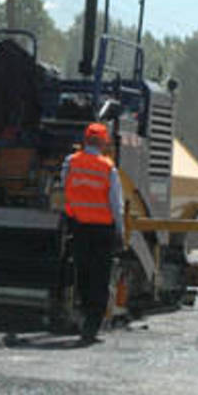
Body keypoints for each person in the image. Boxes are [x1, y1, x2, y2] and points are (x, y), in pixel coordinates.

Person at [61, 122, 125, 343]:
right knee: (99, 278)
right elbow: (116, 206)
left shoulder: (71, 163)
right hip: (102, 231)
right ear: (105, 143)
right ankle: (91, 326)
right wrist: (121, 232)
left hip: (79, 228)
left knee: (83, 274)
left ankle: (82, 313)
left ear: (85, 140)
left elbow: (64, 188)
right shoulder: (108, 168)